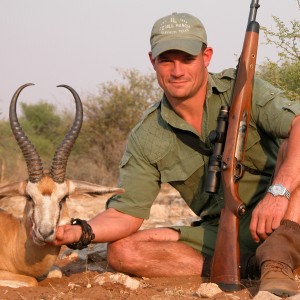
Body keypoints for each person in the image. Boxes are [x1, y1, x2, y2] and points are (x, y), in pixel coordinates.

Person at [53, 12, 300, 297]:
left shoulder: (242, 88)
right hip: (223, 228)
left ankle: (279, 257)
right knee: (122, 252)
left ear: (206, 56)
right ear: (152, 61)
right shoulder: (146, 134)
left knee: (291, 147)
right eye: (167, 60)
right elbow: (125, 213)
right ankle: (249, 266)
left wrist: (278, 193)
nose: (177, 71)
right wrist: (80, 232)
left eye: (187, 59)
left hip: (285, 212)